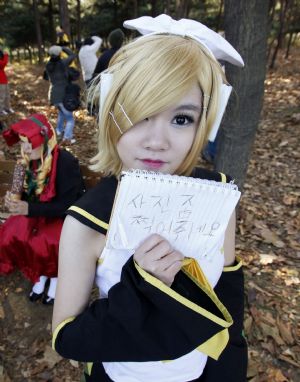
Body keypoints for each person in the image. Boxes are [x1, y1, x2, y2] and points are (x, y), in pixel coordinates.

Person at [52, 14, 247, 382]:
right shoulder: (86, 220)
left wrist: (231, 363)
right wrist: (141, 287)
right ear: (111, 111)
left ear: (204, 123)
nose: (157, 141)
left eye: (181, 119)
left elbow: (228, 294)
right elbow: (68, 339)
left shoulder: (216, 196)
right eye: (141, 114)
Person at [0, 113, 84, 304]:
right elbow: (22, 194)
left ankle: (55, 278)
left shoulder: (65, 163)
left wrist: (28, 209)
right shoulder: (26, 161)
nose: (25, 149)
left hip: (62, 216)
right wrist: (13, 200)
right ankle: (40, 275)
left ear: (46, 140)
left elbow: (67, 206)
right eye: (22, 143)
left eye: (29, 143)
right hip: (37, 211)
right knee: (14, 230)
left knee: (47, 240)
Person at [45, 45, 77, 145]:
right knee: (70, 119)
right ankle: (67, 138)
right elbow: (73, 55)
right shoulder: (63, 63)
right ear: (59, 53)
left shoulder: (48, 65)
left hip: (53, 95)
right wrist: (63, 48)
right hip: (63, 94)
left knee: (62, 113)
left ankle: (59, 131)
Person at [0, 47, 14, 116]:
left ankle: (7, 108)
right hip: (0, 80)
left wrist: (4, 55)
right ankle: (1, 110)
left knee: (7, 95)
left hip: (3, 79)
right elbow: (2, 64)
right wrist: (5, 55)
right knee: (1, 96)